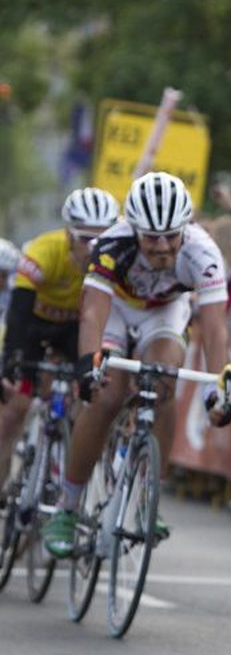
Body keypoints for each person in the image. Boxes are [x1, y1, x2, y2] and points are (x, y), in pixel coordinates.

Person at [42, 172, 231, 557]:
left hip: (164, 312)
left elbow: (214, 330)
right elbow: (93, 314)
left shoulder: (204, 252)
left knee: (163, 383)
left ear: (186, 228)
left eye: (170, 236)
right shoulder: (112, 243)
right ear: (134, 229)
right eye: (151, 237)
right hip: (117, 308)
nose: (162, 247)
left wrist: (219, 390)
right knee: (107, 395)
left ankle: (149, 496)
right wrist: (87, 363)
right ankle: (67, 506)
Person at [0, 188, 120, 488]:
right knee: (15, 409)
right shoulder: (43, 251)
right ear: (68, 234)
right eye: (85, 239)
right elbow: (18, 314)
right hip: (34, 327)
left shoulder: (114, 261)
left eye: (101, 239)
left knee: (90, 394)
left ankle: (60, 465)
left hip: (75, 330)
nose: (94, 248)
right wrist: (10, 360)